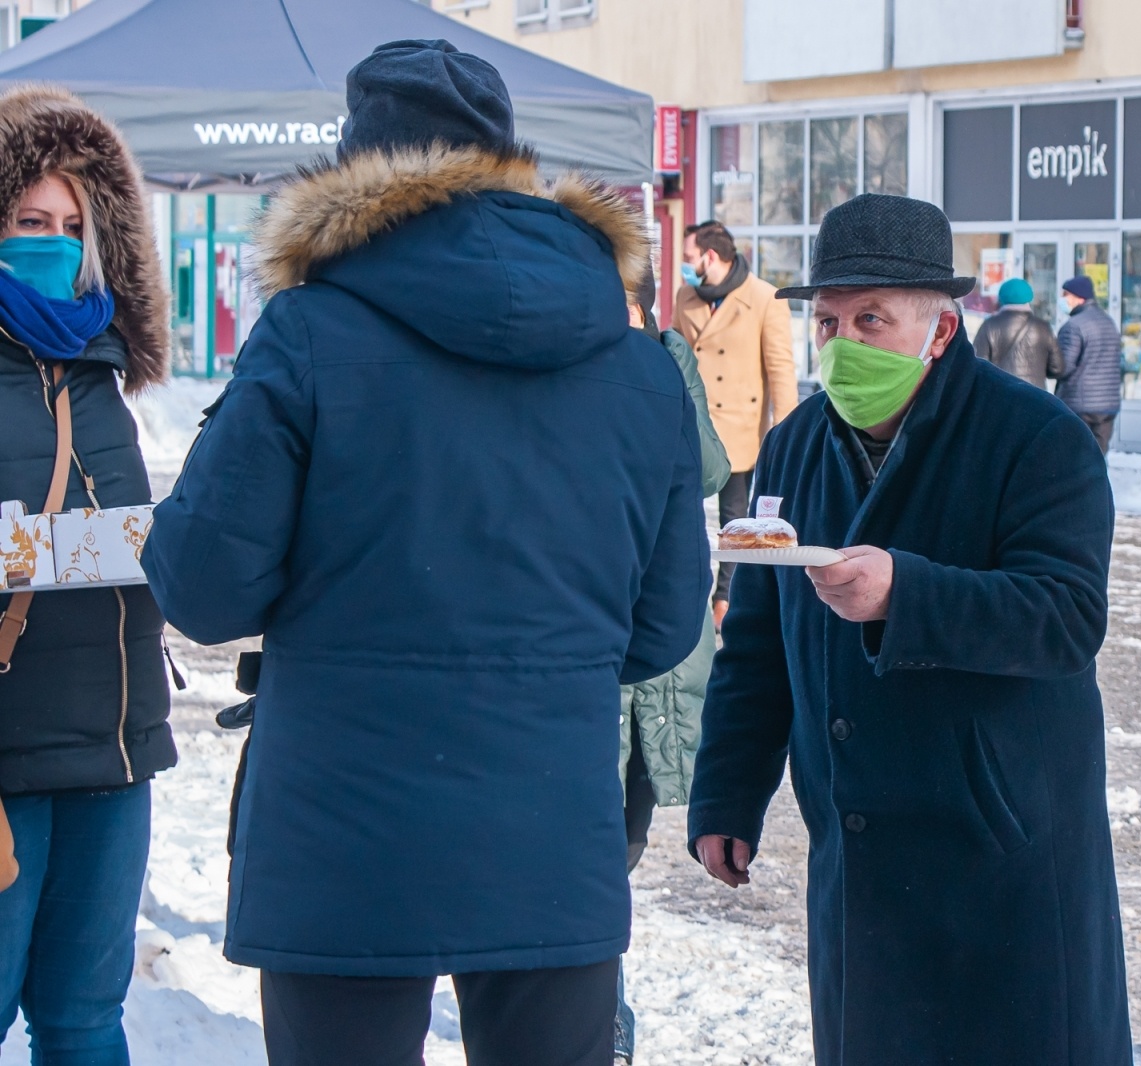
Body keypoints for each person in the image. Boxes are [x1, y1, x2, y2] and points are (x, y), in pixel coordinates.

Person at [141, 40, 709, 1066]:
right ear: (506, 161)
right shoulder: (641, 366)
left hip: (343, 839)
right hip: (550, 828)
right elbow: (664, 625)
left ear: (352, 176)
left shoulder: (306, 336)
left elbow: (205, 587)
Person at [687, 193, 1132, 1066]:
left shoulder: (1036, 438)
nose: (844, 344)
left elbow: (1067, 618)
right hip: (858, 858)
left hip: (999, 853)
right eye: (830, 321)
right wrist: (728, 792)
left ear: (939, 328)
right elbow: (760, 642)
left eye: (872, 319)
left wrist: (908, 594)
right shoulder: (797, 446)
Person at [0, 86, 175, 1063]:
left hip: (116, 742)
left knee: (83, 1020)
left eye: (71, 224)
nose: (54, 241)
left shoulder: (106, 372)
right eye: (30, 220)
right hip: (8, 748)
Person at [613, 272, 729, 1065]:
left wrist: (668, 366)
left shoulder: (662, 358)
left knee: (619, 836)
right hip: (603, 660)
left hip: (658, 658)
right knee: (593, 850)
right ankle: (601, 1014)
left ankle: (595, 1009)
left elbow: (712, 470)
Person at [673, 219, 797, 631]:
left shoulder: (763, 297)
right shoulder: (686, 296)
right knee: (684, 511)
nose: (684, 266)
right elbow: (675, 359)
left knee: (735, 521)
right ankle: (685, 592)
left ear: (710, 256)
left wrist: (788, 430)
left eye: (689, 258)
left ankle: (727, 599)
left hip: (741, 429)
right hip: (692, 423)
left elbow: (780, 368)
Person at [1054, 274, 1123, 453]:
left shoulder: (1073, 326)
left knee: (1077, 456)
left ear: (1079, 297)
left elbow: (1064, 366)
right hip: (1108, 403)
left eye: (1065, 294)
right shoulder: (1109, 322)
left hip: (1080, 403)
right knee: (1099, 456)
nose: (1062, 299)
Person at [972, 276, 1058, 389]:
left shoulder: (989, 325)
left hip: (1000, 394)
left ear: (1001, 298)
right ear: (1029, 297)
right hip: (1036, 397)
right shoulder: (1043, 327)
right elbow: (1057, 368)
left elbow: (978, 364)